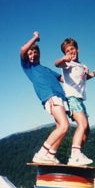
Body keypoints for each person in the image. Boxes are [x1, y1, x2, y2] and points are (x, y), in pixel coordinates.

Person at [20, 31, 69, 164]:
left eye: (35, 52)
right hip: (51, 97)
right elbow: (22, 50)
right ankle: (41, 153)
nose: (32, 54)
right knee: (65, 125)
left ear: (39, 54)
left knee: (61, 128)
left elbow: (65, 79)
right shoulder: (28, 67)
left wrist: (85, 75)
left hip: (60, 97)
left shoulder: (46, 69)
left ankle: (50, 155)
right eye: (30, 53)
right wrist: (35, 38)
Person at [55, 38, 95, 166]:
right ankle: (75, 155)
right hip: (71, 98)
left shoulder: (82, 66)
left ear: (77, 49)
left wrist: (94, 74)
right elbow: (57, 64)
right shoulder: (67, 63)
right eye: (67, 51)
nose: (70, 52)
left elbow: (84, 78)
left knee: (87, 130)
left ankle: (77, 153)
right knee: (82, 124)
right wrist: (64, 59)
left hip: (80, 100)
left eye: (72, 49)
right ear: (65, 53)